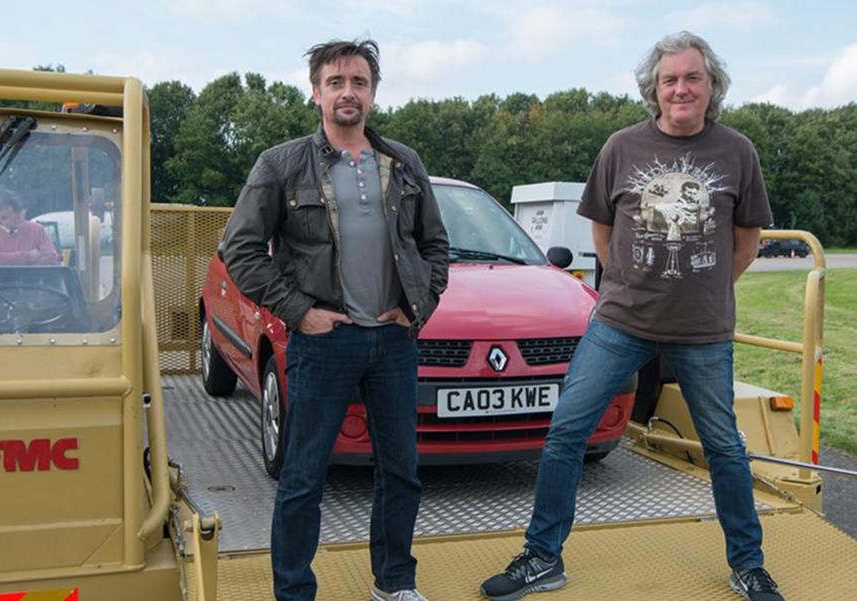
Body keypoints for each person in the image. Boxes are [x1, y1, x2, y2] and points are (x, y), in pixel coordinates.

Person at [480, 32, 782, 601]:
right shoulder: (621, 147)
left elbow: (746, 241)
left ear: (711, 85)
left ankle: (748, 564)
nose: (681, 88)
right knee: (567, 430)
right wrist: (632, 285)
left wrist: (702, 292)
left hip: (702, 331)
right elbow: (604, 231)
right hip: (619, 322)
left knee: (724, 447)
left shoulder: (737, 151)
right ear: (654, 89)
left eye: (692, 77)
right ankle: (543, 557)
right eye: (670, 79)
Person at [222, 39, 449, 601]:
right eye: (335, 82)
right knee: (302, 478)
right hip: (323, 343)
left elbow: (435, 246)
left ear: (373, 91)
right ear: (316, 91)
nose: (348, 92)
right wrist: (300, 313)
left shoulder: (404, 162)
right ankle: (294, 591)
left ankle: (394, 583)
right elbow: (240, 250)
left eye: (359, 82)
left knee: (401, 473)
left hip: (393, 343)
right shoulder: (280, 164)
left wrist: (418, 306)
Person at [0, 195, 60, 266]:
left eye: (22, 216)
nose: (19, 220)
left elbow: (53, 259)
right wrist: (27, 257)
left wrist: (25, 269)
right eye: (15, 218)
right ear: (2, 216)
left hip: (33, 276)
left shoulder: (37, 230)